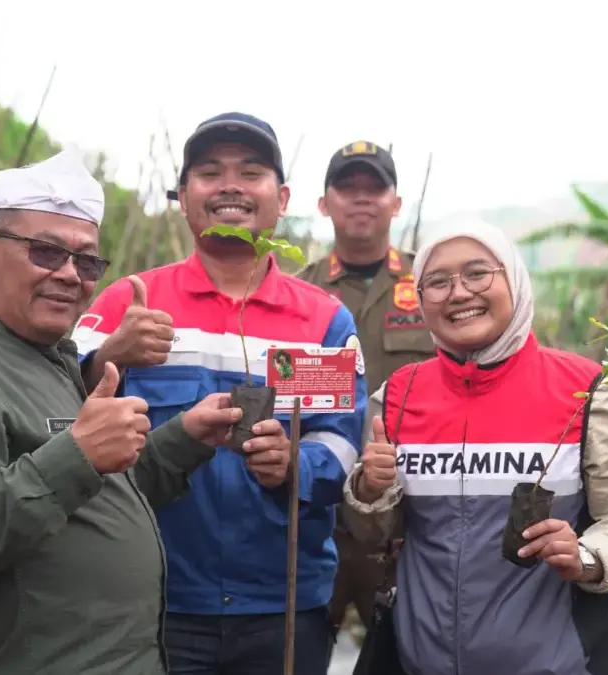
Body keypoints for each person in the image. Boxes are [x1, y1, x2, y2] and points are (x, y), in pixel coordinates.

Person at [0, 150, 259, 675]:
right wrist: (77, 455)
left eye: (86, 262)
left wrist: (183, 439)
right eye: (45, 252)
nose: (69, 275)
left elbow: (95, 500)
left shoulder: (49, 358)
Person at [72, 112, 367, 675]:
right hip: (153, 598)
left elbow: (344, 447)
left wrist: (293, 465)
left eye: (250, 172)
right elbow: (53, 413)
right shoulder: (127, 302)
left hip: (285, 606)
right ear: (183, 197)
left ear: (280, 198)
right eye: (209, 172)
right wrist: (110, 353)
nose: (230, 184)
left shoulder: (325, 320)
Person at [342, 218, 608, 675]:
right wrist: (370, 491)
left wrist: (588, 555)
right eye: (438, 281)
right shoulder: (397, 398)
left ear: (515, 280)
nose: (459, 293)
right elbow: (370, 535)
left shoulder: (587, 393)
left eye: (478, 273)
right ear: (421, 299)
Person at [296, 140, 435, 637]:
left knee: (408, 651)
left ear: (396, 203)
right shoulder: (297, 293)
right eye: (346, 187)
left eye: (374, 188)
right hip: (317, 519)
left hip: (408, 520)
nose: (361, 198)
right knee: (300, 650)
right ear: (324, 202)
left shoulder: (433, 285)